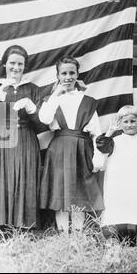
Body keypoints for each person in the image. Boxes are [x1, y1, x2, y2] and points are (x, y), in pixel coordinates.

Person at [0, 45, 45, 228]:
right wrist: (1, 91)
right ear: (4, 64)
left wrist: (31, 107)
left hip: (25, 139)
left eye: (20, 64)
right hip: (0, 139)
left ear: (25, 67)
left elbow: (42, 124)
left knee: (25, 179)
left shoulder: (32, 89)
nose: (16, 68)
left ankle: (24, 225)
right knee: (0, 179)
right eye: (12, 63)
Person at [39, 56, 104, 233]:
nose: (68, 77)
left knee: (79, 193)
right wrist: (55, 95)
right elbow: (44, 119)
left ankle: (78, 235)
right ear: (58, 75)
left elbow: (96, 131)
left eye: (71, 73)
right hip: (59, 149)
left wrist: (98, 155)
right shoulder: (52, 99)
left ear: (77, 74)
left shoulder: (87, 100)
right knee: (60, 192)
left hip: (82, 149)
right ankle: (63, 236)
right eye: (64, 73)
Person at [96, 105, 137, 236]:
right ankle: (118, 237)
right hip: (119, 183)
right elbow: (101, 148)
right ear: (120, 123)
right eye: (126, 121)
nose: (130, 125)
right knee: (119, 210)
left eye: (133, 121)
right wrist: (110, 131)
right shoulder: (113, 141)